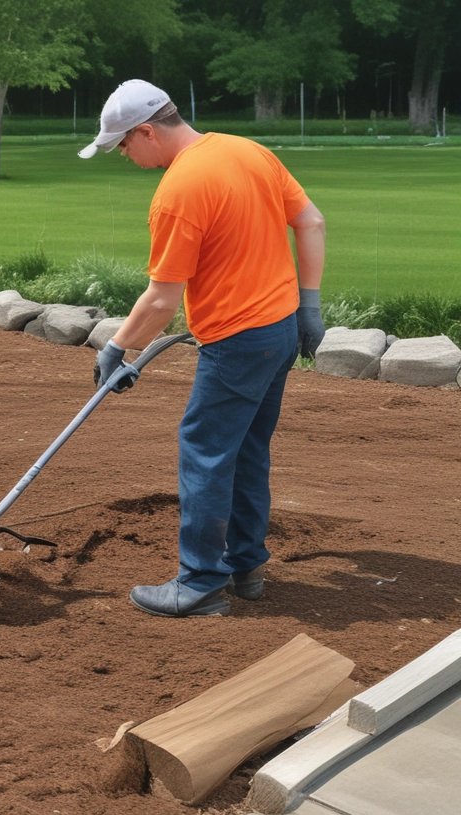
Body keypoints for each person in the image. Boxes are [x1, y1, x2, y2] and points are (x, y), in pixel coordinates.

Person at [79, 80, 326, 618]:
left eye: (124, 145)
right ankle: (245, 567)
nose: (125, 156)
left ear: (148, 131)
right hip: (281, 329)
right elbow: (311, 221)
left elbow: (161, 298)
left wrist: (117, 347)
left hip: (237, 341)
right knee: (247, 449)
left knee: (205, 451)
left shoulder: (178, 191)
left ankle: (199, 583)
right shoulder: (247, 151)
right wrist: (310, 306)